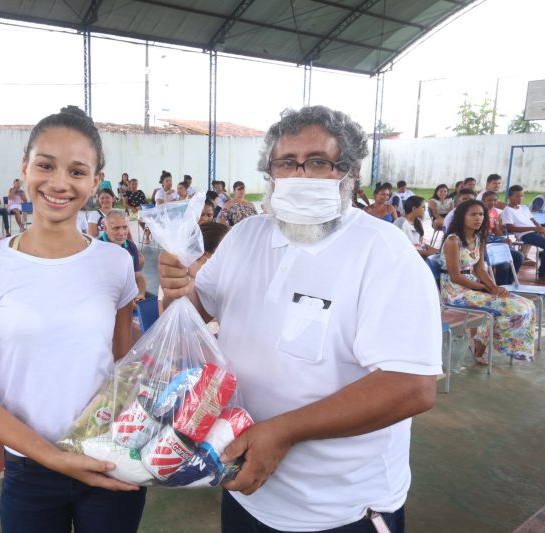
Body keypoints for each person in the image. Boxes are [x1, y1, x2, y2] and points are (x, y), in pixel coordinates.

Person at [159, 105, 440, 533]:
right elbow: (196, 312)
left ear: (348, 173)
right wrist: (178, 288)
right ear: (270, 174)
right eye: (287, 163)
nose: (300, 174)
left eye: (319, 163)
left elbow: (411, 387)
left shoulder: (382, 252)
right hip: (241, 486)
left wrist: (284, 431)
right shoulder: (245, 236)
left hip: (339, 509)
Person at [0, 105, 146, 533]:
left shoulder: (115, 263)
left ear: (95, 182)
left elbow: (123, 365)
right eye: (45, 165)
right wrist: (52, 456)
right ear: (24, 169)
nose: (58, 183)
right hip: (30, 467)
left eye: (77, 171)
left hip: (111, 455)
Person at [441, 200, 535, 364]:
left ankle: (481, 342)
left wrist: (494, 287)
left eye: (481, 214)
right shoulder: (453, 241)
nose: (478, 218)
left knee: (527, 305)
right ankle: (482, 345)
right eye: (473, 214)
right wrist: (485, 288)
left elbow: (480, 270)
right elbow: (456, 277)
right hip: (455, 291)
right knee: (511, 308)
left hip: (475, 288)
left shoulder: (479, 238)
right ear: (462, 217)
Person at [99, 209, 147, 303]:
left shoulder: (130, 245)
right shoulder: (97, 248)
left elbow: (138, 276)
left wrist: (140, 294)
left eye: (125, 227)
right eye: (116, 228)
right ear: (105, 228)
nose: (121, 233)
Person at [503, 184, 545, 280]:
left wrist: (540, 229)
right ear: (510, 196)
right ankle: (542, 274)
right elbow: (511, 228)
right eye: (517, 196)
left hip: (535, 232)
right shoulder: (507, 210)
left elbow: (534, 220)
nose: (520, 198)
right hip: (525, 234)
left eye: (522, 196)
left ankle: (543, 269)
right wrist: (534, 229)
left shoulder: (524, 208)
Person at [482, 190, 523, 285]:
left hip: (492, 241)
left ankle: (508, 283)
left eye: (495, 200)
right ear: (483, 200)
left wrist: (504, 238)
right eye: (489, 200)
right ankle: (501, 285)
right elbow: (482, 235)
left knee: (519, 256)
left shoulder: (494, 212)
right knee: (503, 262)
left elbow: (495, 229)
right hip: (484, 243)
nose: (492, 202)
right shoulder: (479, 212)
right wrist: (499, 240)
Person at [393, 196, 438, 264]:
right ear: (414, 208)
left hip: (417, 255)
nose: (424, 210)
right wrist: (425, 253)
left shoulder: (418, 222)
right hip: (405, 259)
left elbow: (418, 243)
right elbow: (397, 247)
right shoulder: (401, 222)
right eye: (423, 207)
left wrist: (435, 250)